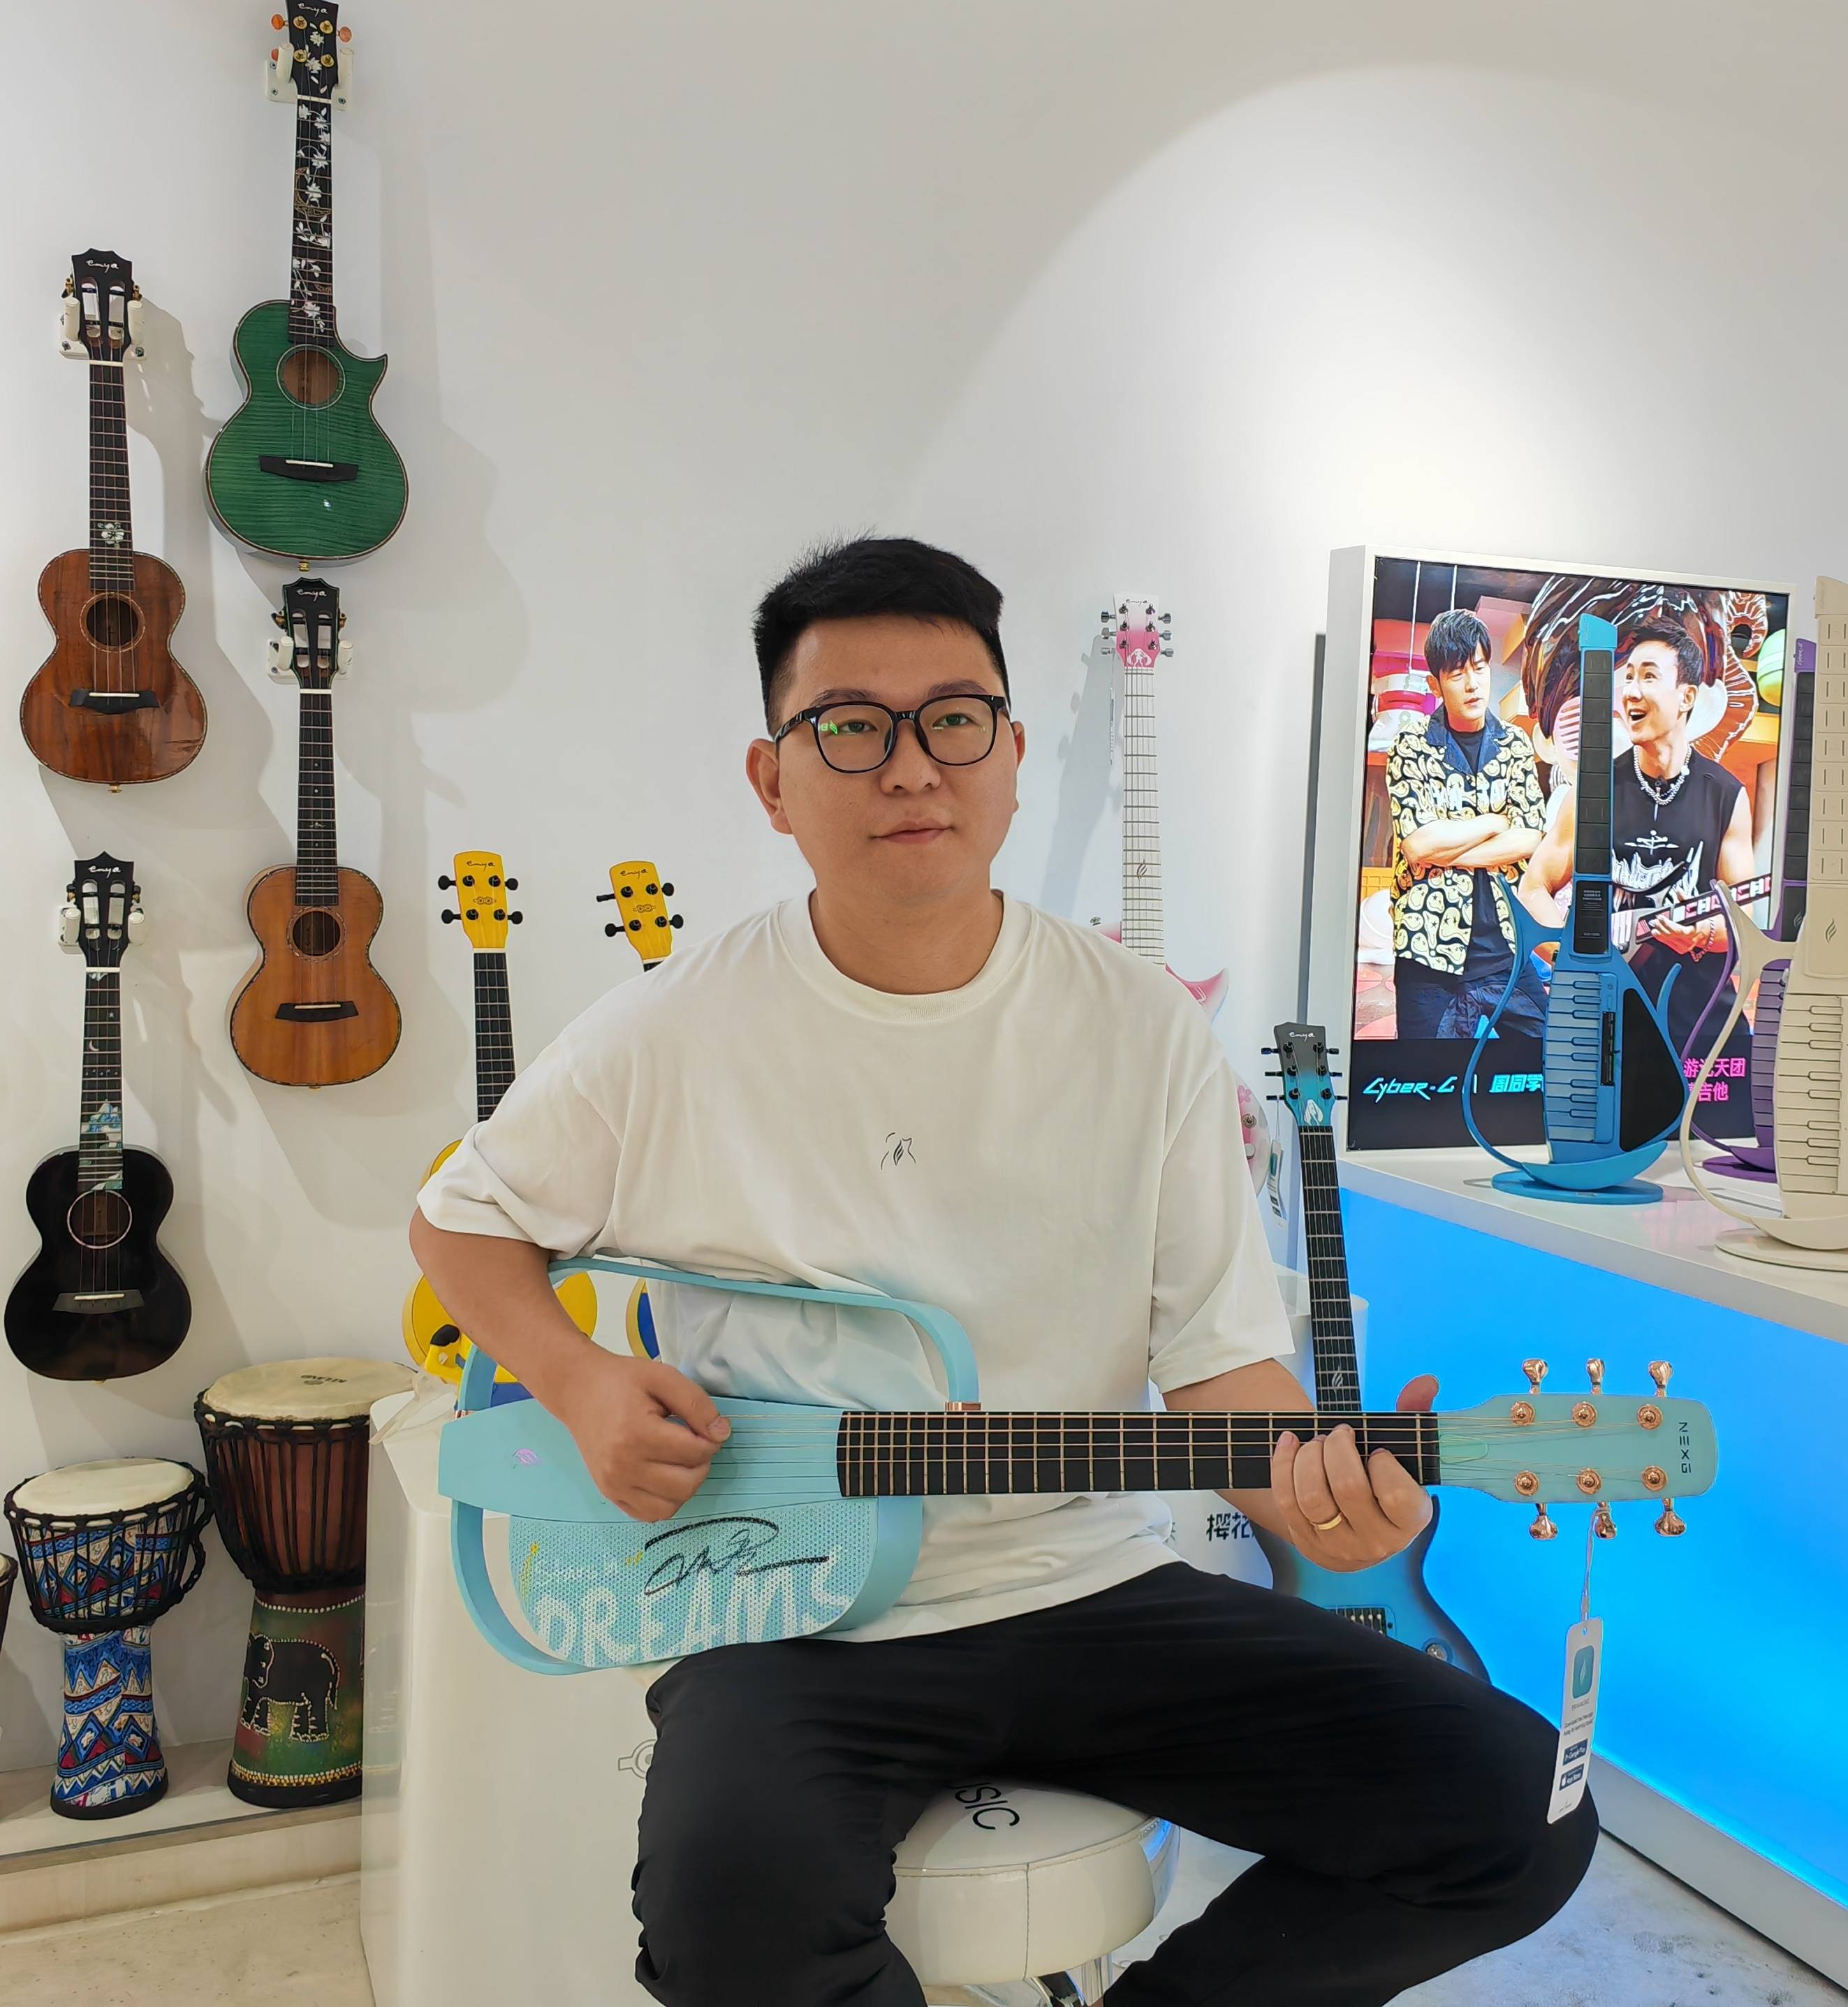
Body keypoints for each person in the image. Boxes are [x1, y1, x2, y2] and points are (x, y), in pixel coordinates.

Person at [409, 539, 1597, 2006]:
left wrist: (1320, 1504)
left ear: (1013, 756)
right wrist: (581, 1381)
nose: (911, 766)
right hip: (789, 1613)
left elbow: (1218, 1364)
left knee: (1520, 1810)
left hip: (1086, 1581)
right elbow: (459, 1221)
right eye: (850, 724)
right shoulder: (669, 1029)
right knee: (729, 1919)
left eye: (954, 719)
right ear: (771, 780)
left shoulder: (1141, 1027)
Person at [1517, 618, 1757, 1037]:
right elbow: (1533, 887)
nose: (1630, 691)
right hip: (1607, 1020)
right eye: (1627, 677)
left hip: (1699, 1024)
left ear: (1686, 697)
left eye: (1648, 676)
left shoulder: (1726, 795)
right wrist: (1571, 958)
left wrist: (1700, 934)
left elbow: (1742, 922)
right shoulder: (1593, 790)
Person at [1381, 608, 1548, 1041]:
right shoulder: (1412, 745)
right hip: (1428, 953)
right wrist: (1494, 821)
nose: (1473, 683)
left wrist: (1447, 848)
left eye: (1480, 667)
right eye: (1457, 674)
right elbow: (1419, 846)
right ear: (1435, 685)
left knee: (1550, 1053)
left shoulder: (1513, 744)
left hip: (1506, 948)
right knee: (1425, 1075)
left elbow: (1530, 836)